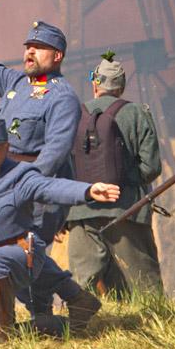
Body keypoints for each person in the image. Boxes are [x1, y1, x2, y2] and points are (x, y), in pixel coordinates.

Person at [0, 0, 101, 321]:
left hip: (37, 193)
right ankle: (52, 312)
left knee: (21, 253)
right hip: (4, 183)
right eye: (28, 46)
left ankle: (58, 305)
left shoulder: (63, 98)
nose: (29, 52)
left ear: (56, 56)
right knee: (16, 252)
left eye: (39, 47)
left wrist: (19, 186)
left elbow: (54, 153)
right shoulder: (17, 83)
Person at [0, 118, 120, 341]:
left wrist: (87, 191)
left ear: (7, 148)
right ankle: (50, 326)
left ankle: (4, 336)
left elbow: (51, 187)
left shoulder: (21, 174)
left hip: (21, 254)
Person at [66, 52, 164, 296]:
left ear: (95, 84)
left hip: (81, 210)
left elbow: (65, 164)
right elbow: (151, 167)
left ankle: (82, 331)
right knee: (144, 286)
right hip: (127, 210)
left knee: (81, 288)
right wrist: (121, 182)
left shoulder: (74, 115)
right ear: (121, 86)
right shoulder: (137, 113)